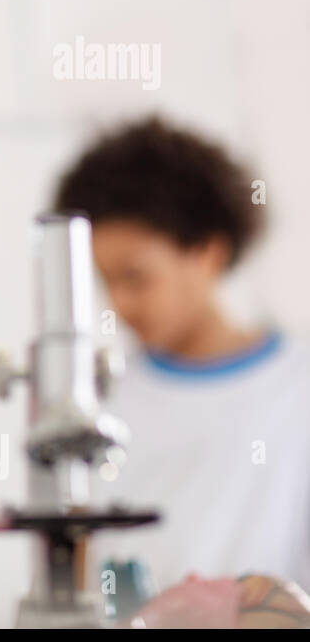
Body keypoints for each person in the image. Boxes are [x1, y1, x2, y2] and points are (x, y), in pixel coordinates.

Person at [52, 114, 310, 597]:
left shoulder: (296, 388)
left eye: (136, 277)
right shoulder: (102, 404)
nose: (119, 304)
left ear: (209, 252)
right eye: (106, 281)